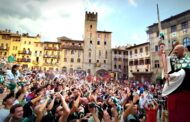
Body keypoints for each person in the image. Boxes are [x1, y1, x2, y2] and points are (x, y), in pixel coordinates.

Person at [162, 44, 190, 122]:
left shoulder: (188, 60)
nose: (174, 52)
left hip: (187, 96)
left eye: (177, 50)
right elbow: (165, 62)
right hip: (174, 96)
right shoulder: (172, 60)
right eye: (174, 50)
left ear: (183, 50)